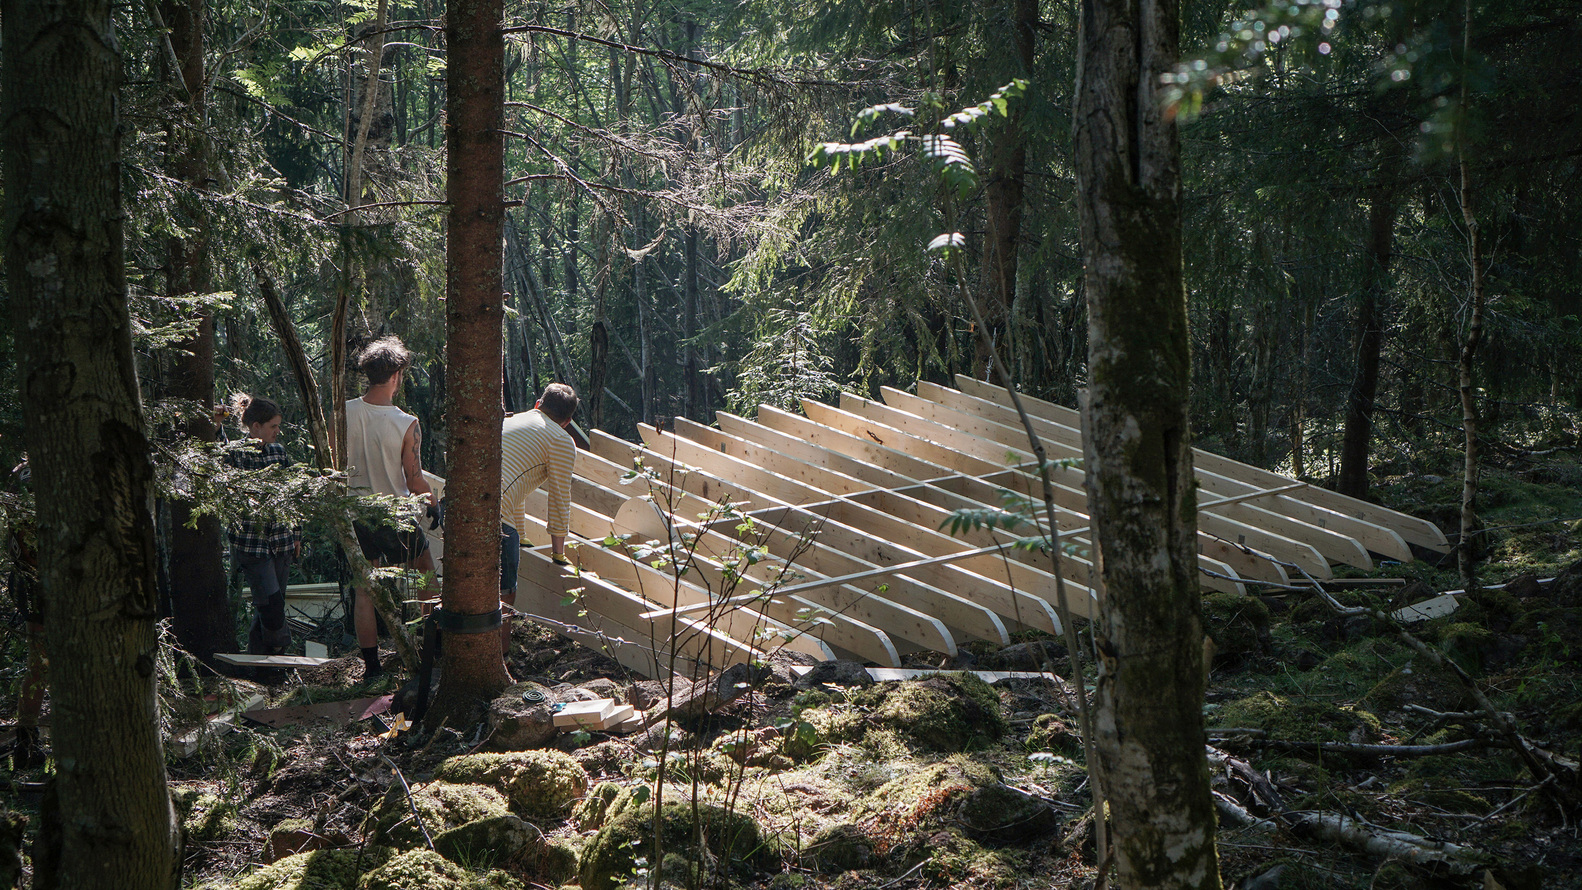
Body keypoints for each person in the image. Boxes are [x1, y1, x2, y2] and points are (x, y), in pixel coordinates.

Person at [345, 335, 436, 679]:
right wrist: (433, 501)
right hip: (395, 515)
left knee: (364, 589)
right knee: (426, 572)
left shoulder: (345, 413)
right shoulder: (406, 423)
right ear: (397, 375)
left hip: (355, 514)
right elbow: (414, 481)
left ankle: (371, 667)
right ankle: (431, 647)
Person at [222, 394, 302, 662]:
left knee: (269, 604)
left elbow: (293, 496)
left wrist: (297, 535)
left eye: (278, 426)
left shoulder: (279, 452)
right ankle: (281, 649)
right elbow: (213, 465)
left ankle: (260, 663)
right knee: (271, 605)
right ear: (255, 426)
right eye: (273, 427)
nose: (277, 432)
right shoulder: (235, 453)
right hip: (251, 543)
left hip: (282, 540)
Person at [499, 383, 579, 645]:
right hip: (495, 521)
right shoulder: (561, 440)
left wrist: (522, 536)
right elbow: (559, 497)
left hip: (456, 504)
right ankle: (501, 655)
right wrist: (558, 554)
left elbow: (514, 482)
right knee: (504, 594)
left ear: (537, 404)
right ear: (567, 422)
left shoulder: (510, 420)